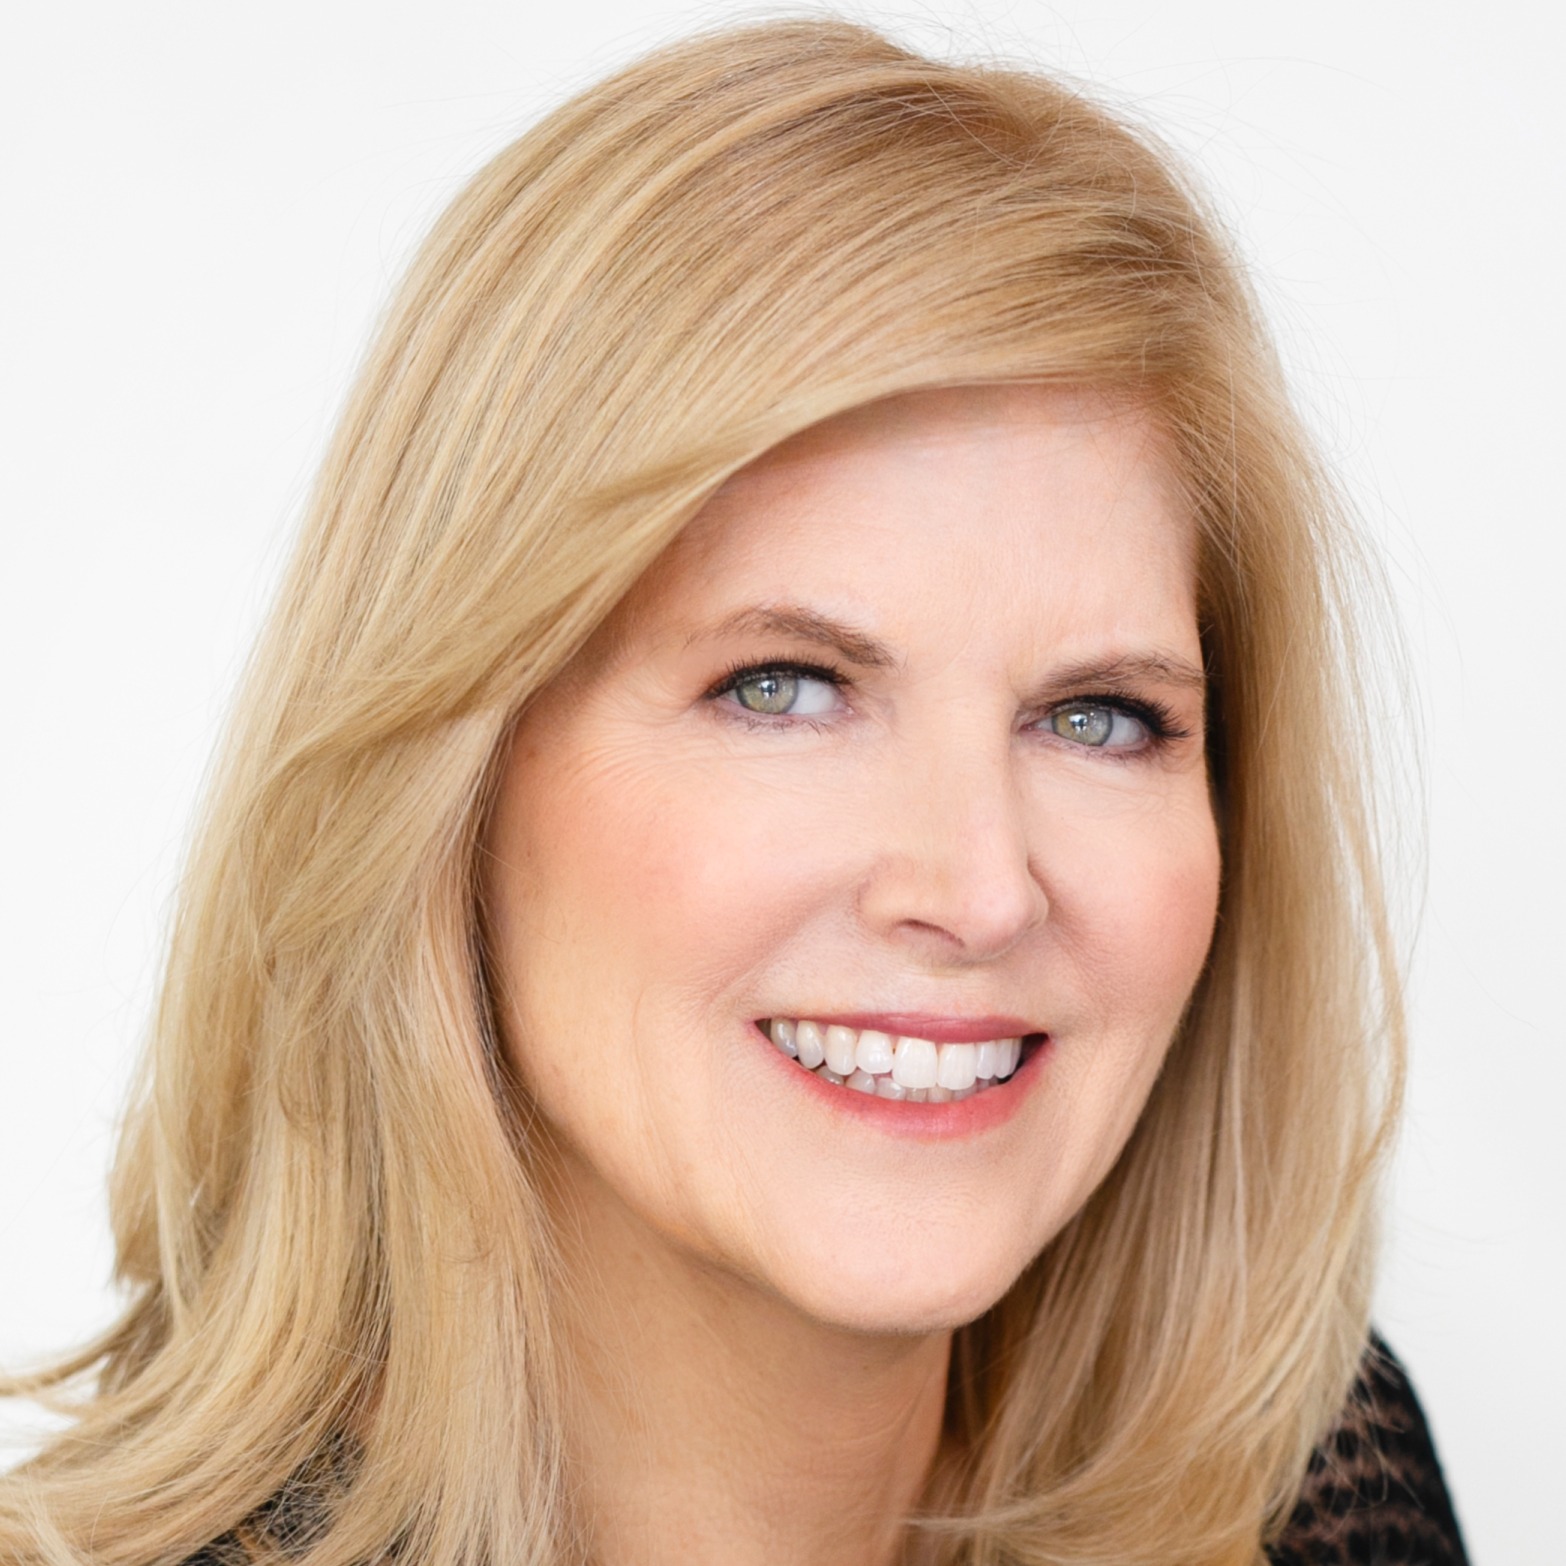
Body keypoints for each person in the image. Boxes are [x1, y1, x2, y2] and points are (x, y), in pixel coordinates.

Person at [0, 18, 1468, 1566]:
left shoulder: (1298, 1487)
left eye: (1095, 718)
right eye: (783, 686)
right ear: (456, 779)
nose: (978, 887)